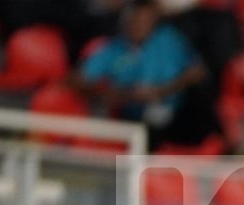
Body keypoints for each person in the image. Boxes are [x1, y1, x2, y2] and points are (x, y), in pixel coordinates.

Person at [70, 0, 207, 148]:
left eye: (145, 20)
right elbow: (79, 78)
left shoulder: (169, 41)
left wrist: (162, 90)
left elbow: (197, 73)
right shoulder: (115, 47)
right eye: (136, 19)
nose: (139, 25)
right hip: (127, 113)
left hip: (173, 112)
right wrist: (116, 94)